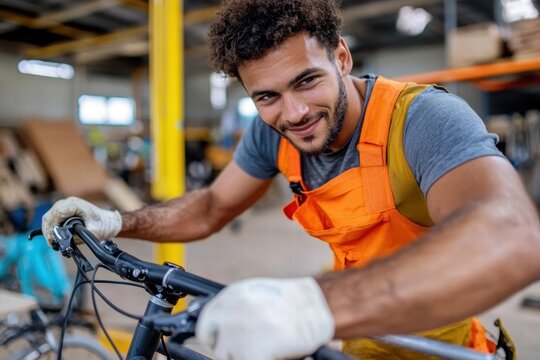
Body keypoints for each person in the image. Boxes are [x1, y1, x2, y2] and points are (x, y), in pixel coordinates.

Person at [42, 0, 540, 359]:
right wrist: (112, 220)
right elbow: (213, 206)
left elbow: (510, 233)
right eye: (267, 96)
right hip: (363, 338)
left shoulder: (422, 118)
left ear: (341, 57)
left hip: (442, 345)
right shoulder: (273, 135)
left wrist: (308, 306)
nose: (294, 112)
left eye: (307, 80)